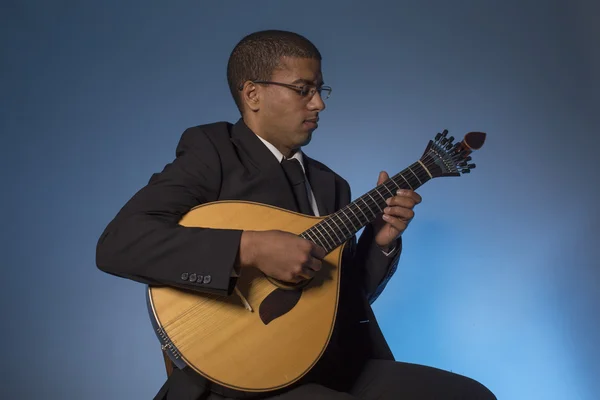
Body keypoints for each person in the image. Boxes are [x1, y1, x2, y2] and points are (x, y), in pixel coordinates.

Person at [96, 30, 496, 400]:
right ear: (253, 94)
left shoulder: (330, 185)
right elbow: (120, 244)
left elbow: (341, 299)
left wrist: (380, 243)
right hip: (241, 379)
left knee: (470, 396)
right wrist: (249, 247)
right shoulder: (213, 152)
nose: (318, 103)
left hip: (330, 365)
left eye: (320, 90)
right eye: (303, 90)